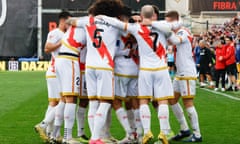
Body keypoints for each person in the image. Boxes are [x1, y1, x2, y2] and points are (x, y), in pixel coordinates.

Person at [97, 5, 174, 144]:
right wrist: (150, 22)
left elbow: (117, 23)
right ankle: (163, 132)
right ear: (154, 15)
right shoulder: (162, 25)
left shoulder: (136, 28)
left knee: (143, 101)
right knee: (162, 101)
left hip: (144, 70)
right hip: (161, 69)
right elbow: (171, 27)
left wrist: (102, 17)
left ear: (141, 15)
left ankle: (145, 132)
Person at [68, 0, 125, 143]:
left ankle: (95, 136)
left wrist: (92, 19)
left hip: (89, 66)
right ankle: (95, 138)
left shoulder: (88, 21)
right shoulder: (113, 22)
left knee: (93, 102)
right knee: (105, 102)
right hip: (105, 66)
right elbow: (128, 28)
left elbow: (70, 21)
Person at [150, 10, 203, 142]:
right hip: (180, 73)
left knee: (188, 103)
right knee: (172, 99)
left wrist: (165, 31)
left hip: (187, 72)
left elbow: (175, 41)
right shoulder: (176, 31)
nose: (168, 25)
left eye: (169, 22)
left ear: (174, 21)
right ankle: (184, 128)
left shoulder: (183, 31)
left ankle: (197, 134)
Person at [34, 11, 72, 143]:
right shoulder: (56, 33)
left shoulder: (64, 34)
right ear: (63, 21)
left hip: (56, 71)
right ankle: (43, 126)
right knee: (63, 101)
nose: (70, 25)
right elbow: (47, 48)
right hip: (55, 71)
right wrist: (61, 43)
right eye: (68, 22)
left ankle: (50, 134)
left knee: (54, 103)